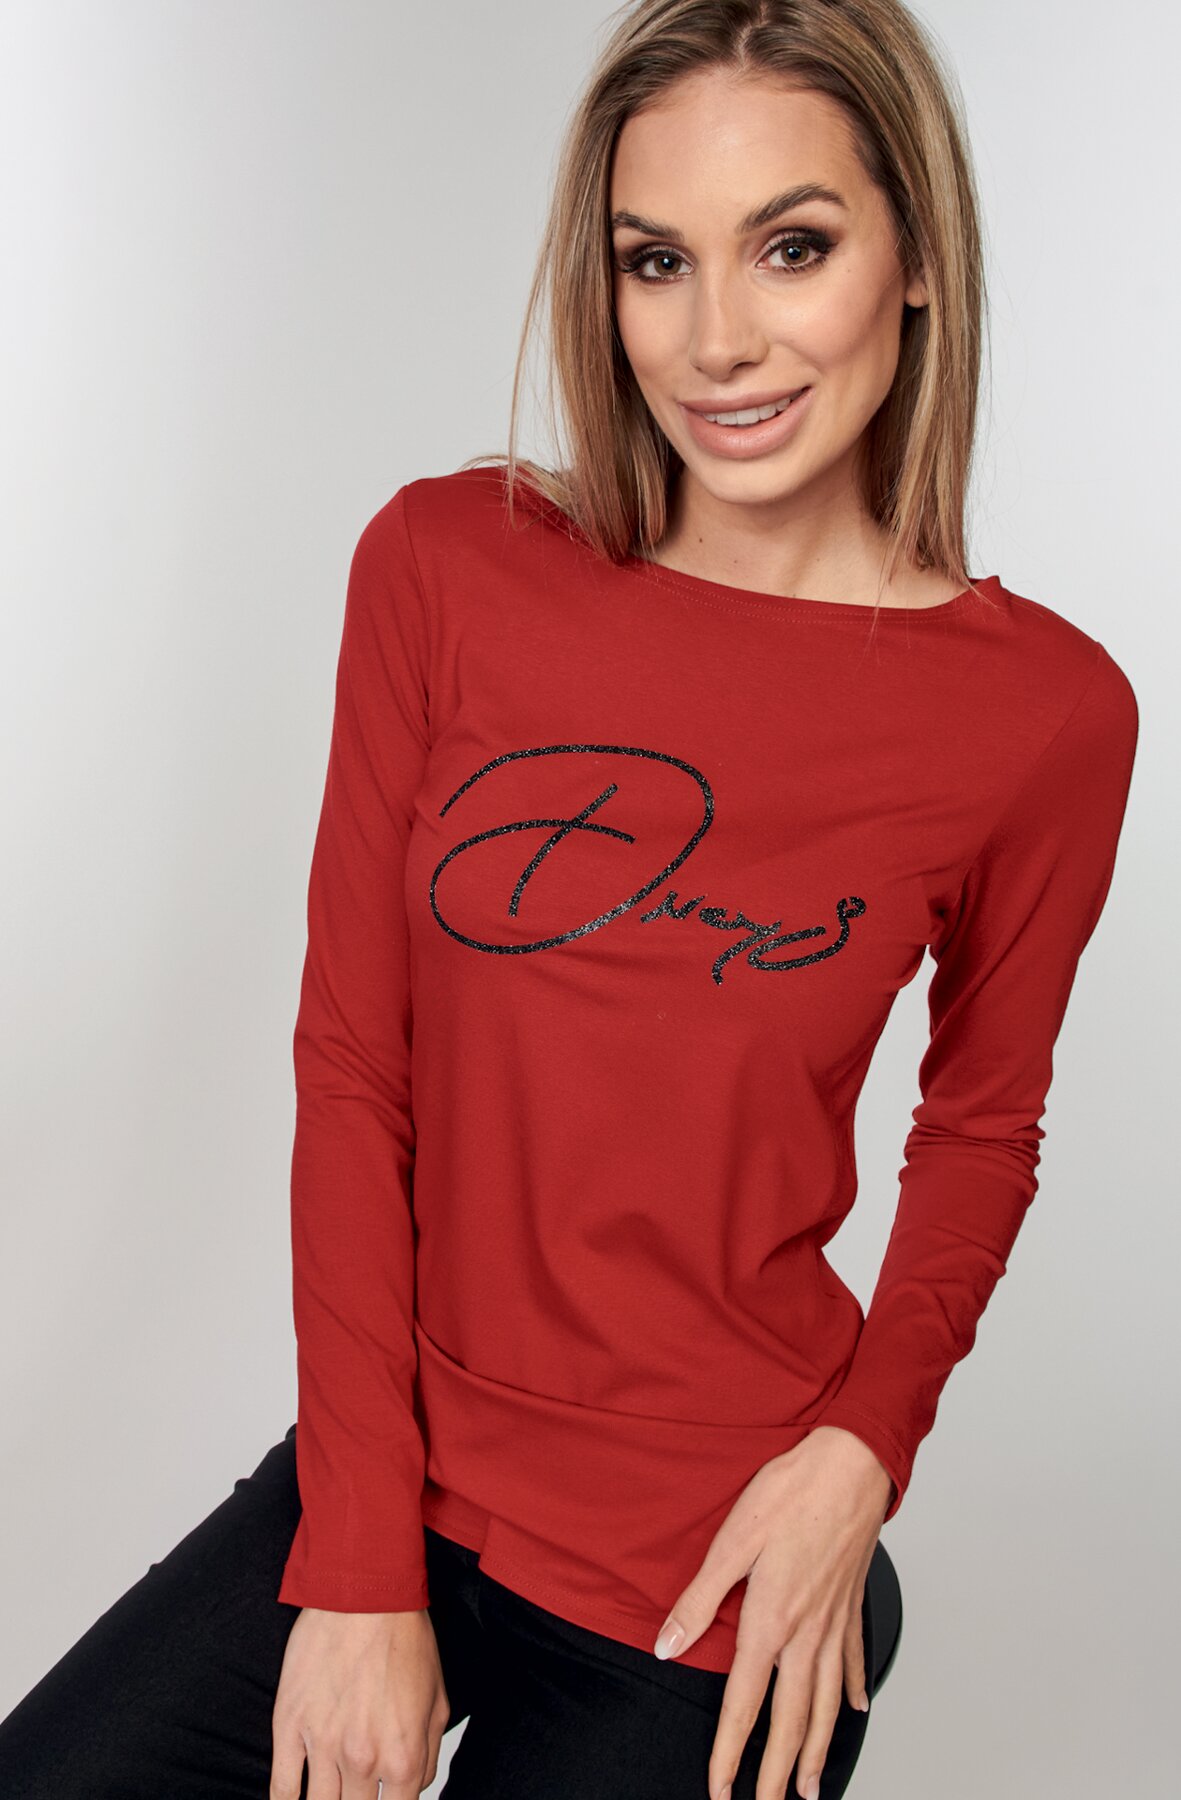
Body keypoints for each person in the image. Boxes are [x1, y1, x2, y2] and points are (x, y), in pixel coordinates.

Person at [0, 1, 1139, 1797]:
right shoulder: (448, 567)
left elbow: (981, 1127)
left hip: (726, 1555)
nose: (715, 339)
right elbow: (353, 1070)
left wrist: (860, 1455)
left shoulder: (1041, 715)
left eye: (790, 246)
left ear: (914, 258)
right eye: (652, 261)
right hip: (396, 1472)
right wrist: (359, 1568)